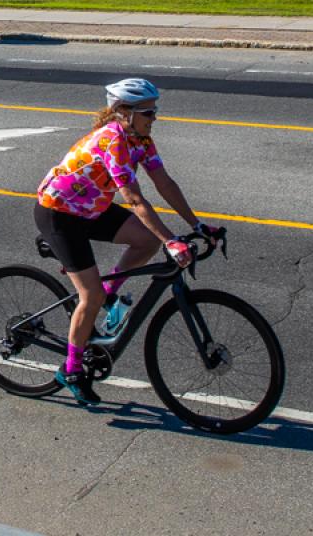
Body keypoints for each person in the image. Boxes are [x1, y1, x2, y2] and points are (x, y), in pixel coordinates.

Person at [33, 77, 221, 404]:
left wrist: (199, 224)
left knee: (145, 242)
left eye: (154, 111)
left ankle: (108, 296)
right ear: (123, 112)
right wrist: (171, 240)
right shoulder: (113, 141)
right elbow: (134, 199)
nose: (154, 118)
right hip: (59, 213)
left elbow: (164, 183)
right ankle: (71, 369)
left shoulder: (142, 140)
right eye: (147, 112)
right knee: (88, 295)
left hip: (92, 208)